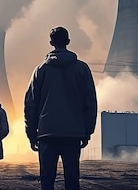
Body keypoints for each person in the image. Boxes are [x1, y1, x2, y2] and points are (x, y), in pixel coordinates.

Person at [24, 26, 98, 190]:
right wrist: (87, 131)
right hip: (72, 133)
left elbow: (31, 103)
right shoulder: (82, 69)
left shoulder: (40, 70)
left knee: (47, 180)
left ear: (51, 43)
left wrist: (31, 133)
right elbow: (90, 102)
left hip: (46, 134)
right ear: (68, 42)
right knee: (72, 179)